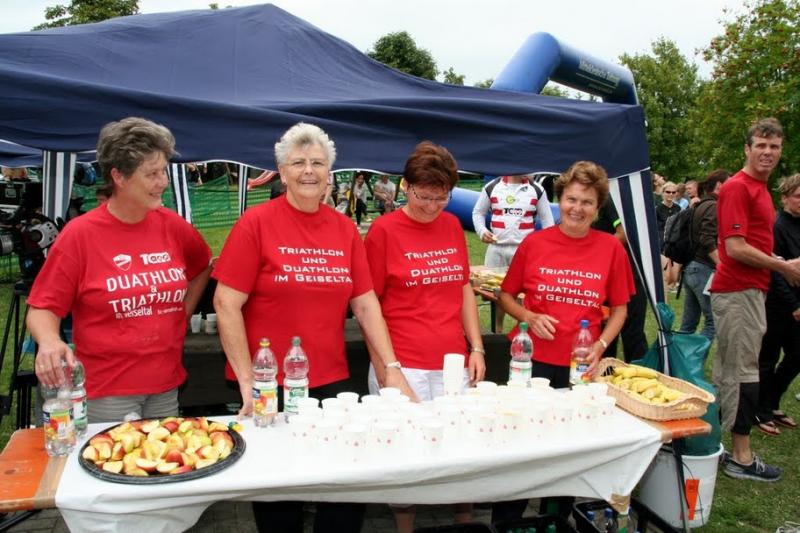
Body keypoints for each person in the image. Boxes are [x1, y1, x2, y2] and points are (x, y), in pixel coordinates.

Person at [212, 122, 413, 533]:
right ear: (282, 172)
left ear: (329, 173)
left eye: (318, 163)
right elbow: (225, 303)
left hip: (330, 381)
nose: (309, 171)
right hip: (270, 383)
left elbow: (365, 303)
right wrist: (249, 381)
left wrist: (391, 367)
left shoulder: (343, 228)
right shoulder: (256, 223)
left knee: (342, 489)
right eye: (298, 163)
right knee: (278, 493)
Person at [27, 117, 212, 422]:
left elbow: (202, 265)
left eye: (163, 171)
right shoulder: (80, 235)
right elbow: (42, 307)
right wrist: (49, 340)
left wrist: (182, 312)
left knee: (164, 451)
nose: (163, 181)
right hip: (107, 389)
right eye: (151, 174)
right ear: (119, 177)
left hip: (165, 383)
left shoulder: (172, 226)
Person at [492, 161, 634, 522]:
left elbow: (620, 309)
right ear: (560, 200)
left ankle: (554, 519)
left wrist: (600, 345)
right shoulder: (535, 242)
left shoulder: (610, 248)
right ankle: (507, 520)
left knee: (570, 447)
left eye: (587, 202)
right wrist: (528, 317)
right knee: (522, 443)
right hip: (530, 364)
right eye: (571, 199)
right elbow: (506, 296)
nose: (577, 208)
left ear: (598, 208)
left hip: (579, 369)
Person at [364, 141, 485, 533]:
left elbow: (463, 287)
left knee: (461, 448)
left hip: (452, 362)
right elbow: (368, 306)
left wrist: (477, 347)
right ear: (406, 186)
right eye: (423, 196)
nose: (432, 206)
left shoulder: (451, 225)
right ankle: (405, 526)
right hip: (404, 364)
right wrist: (386, 369)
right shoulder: (383, 231)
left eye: (441, 197)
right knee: (406, 455)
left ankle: (465, 522)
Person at [710, 117, 800, 482]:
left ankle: (712, 444)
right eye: (760, 145)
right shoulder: (737, 187)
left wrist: (777, 263)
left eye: (774, 146)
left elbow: (753, 243)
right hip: (738, 291)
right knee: (743, 374)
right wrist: (784, 267)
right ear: (747, 149)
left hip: (749, 291)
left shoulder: (760, 189)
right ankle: (741, 457)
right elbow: (734, 248)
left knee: (729, 371)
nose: (767, 152)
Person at [471, 174, 555, 331]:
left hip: (523, 251)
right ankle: (498, 330)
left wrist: (544, 247)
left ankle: (522, 331)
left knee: (523, 294)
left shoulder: (537, 190)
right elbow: (478, 212)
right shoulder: (492, 187)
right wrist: (482, 231)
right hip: (496, 248)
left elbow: (548, 222)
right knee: (495, 292)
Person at [755, 173, 800, 436]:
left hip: (796, 302)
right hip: (777, 304)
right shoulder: (777, 227)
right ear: (784, 198)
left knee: (796, 356)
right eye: (797, 196)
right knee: (767, 358)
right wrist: (793, 304)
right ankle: (761, 410)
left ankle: (772, 401)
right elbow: (774, 270)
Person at [592, 200, 648, 362]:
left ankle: (636, 373)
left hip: (625, 274)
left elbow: (623, 233)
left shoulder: (611, 199)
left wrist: (590, 251)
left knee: (631, 334)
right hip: (606, 275)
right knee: (606, 331)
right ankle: (605, 372)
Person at [677, 170, 729, 342]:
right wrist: (722, 265)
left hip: (691, 268)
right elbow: (707, 240)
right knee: (713, 322)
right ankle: (695, 357)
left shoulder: (701, 204)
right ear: (720, 185)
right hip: (703, 268)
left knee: (688, 325)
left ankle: (679, 357)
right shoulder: (713, 206)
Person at [656, 181, 682, 290]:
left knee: (673, 278)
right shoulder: (657, 209)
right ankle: (663, 297)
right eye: (668, 192)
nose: (671, 194)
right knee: (666, 277)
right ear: (663, 193)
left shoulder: (678, 209)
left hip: (675, 245)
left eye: (673, 192)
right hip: (663, 245)